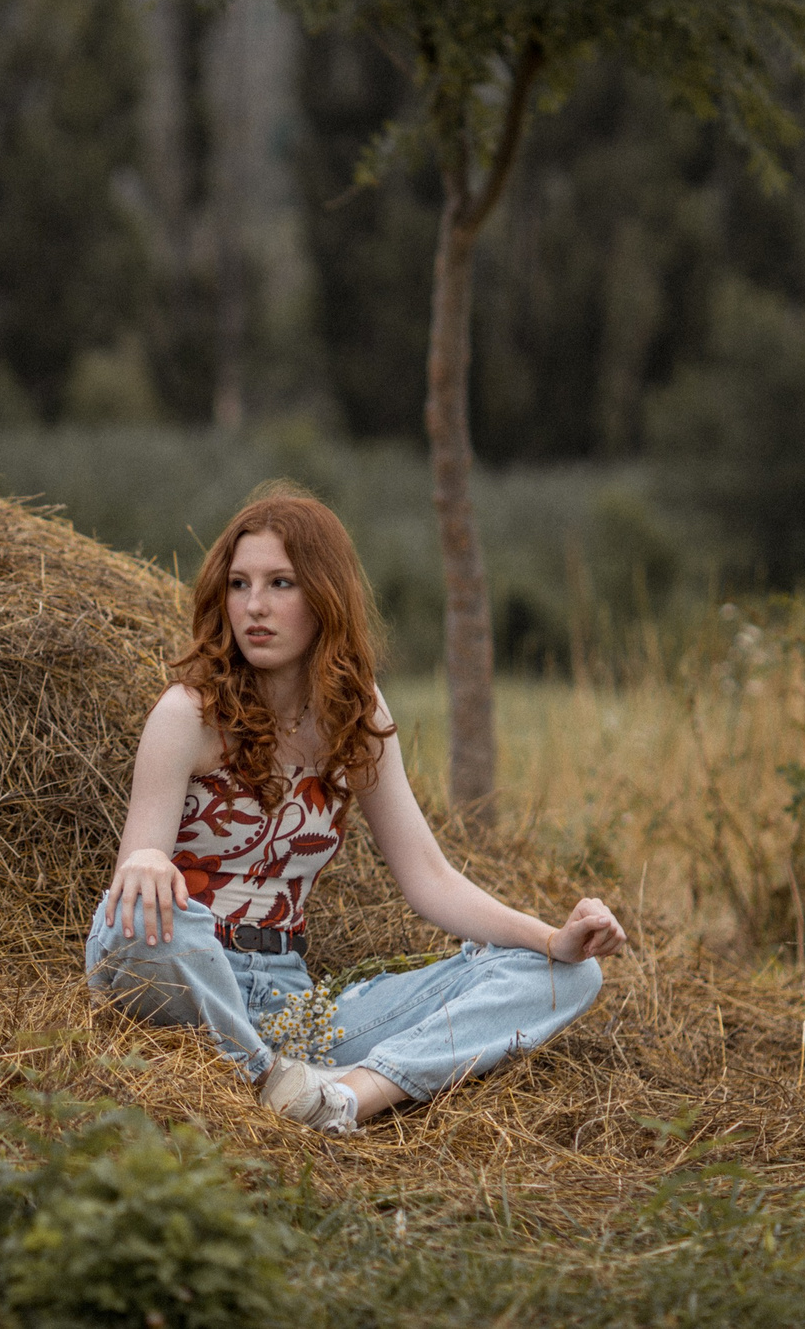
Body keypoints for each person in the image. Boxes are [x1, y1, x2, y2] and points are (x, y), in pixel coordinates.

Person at [87, 482, 625, 1135]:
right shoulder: (187, 713)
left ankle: (346, 1096)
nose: (254, 606)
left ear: (324, 596)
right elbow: (134, 877)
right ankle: (271, 1078)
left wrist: (551, 940)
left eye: (281, 584)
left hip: (286, 999)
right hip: (179, 967)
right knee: (147, 924)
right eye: (239, 585)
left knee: (570, 978)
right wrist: (147, 860)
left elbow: (430, 878)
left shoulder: (355, 715)